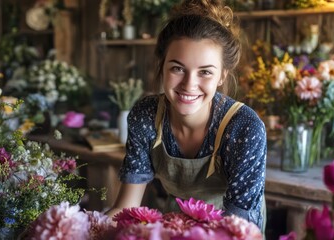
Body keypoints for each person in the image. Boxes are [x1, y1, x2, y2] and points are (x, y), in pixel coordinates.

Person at [106, 0, 267, 230]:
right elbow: (126, 208)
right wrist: (85, 228)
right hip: (178, 225)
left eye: (205, 72)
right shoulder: (146, 116)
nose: (189, 84)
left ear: (222, 75)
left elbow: (238, 229)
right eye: (177, 68)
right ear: (162, 67)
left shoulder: (244, 128)